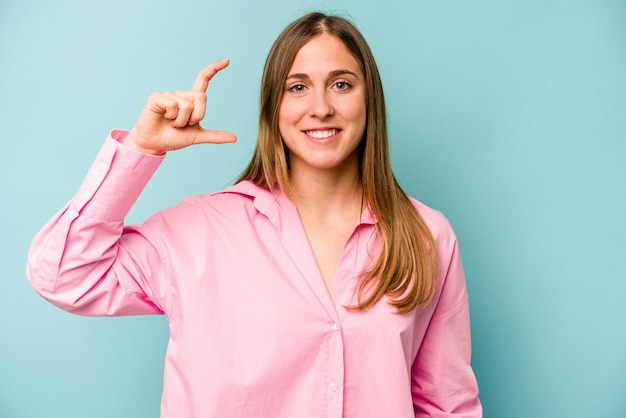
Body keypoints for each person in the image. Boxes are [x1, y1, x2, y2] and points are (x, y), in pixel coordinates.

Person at [26, 12, 482, 418]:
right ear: (273, 107)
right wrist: (141, 148)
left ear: (369, 101)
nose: (320, 106)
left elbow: (447, 404)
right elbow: (63, 274)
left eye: (341, 84)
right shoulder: (198, 231)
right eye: (297, 87)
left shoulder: (427, 236)